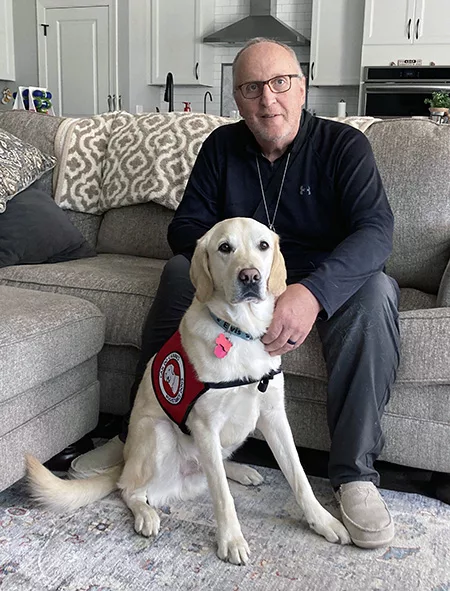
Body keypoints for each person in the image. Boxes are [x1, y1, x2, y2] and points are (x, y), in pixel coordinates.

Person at [71, 38, 400, 549]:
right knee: (179, 273)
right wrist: (218, 272)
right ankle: (133, 435)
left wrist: (310, 292)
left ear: (301, 87)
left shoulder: (344, 146)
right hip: (237, 273)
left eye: (280, 83)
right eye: (251, 88)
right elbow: (185, 227)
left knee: (378, 292)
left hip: (321, 276)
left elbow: (377, 232)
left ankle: (354, 474)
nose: (268, 99)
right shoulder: (223, 147)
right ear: (237, 98)